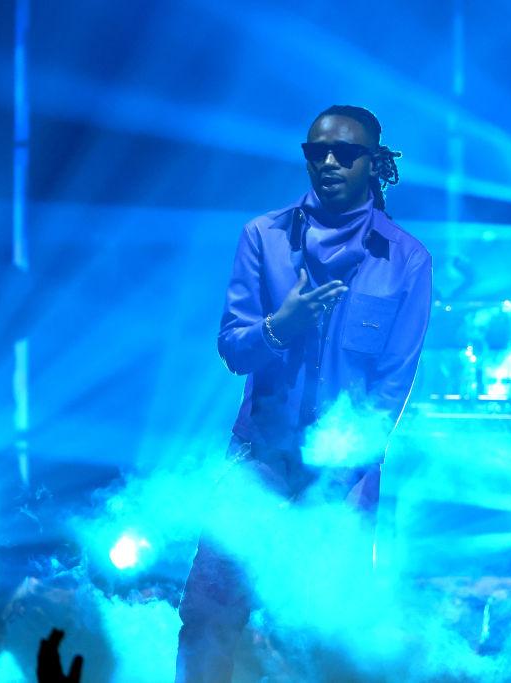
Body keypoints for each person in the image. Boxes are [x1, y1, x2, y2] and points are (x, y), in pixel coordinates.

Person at [175, 105, 432, 683]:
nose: (330, 161)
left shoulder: (407, 260)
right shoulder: (262, 237)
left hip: (343, 474)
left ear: (376, 163)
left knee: (331, 634)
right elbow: (234, 348)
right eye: (318, 151)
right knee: (208, 614)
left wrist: (341, 474)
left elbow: (391, 389)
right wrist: (278, 328)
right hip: (258, 460)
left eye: (346, 151)